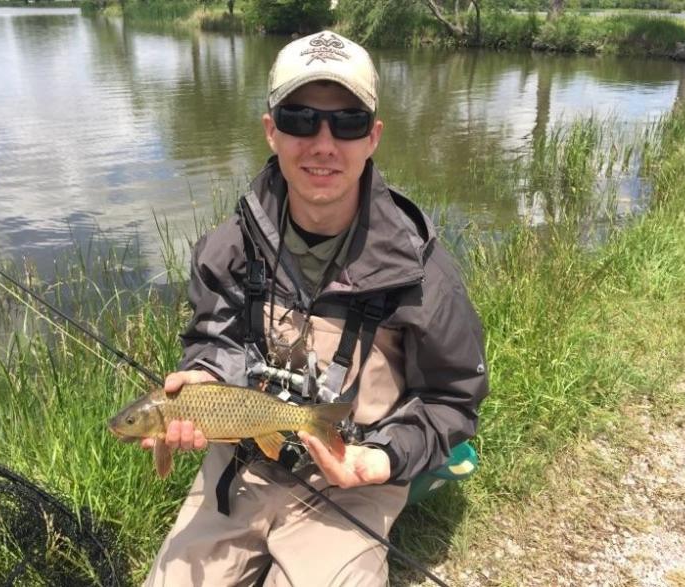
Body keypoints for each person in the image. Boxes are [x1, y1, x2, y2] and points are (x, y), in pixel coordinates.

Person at [142, 30, 489, 587]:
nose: (323, 143)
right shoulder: (227, 249)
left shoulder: (423, 273)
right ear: (271, 131)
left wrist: (383, 459)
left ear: (373, 137)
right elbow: (212, 339)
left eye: (347, 122)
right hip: (241, 469)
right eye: (300, 119)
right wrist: (206, 376)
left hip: (352, 480)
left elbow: (452, 399)